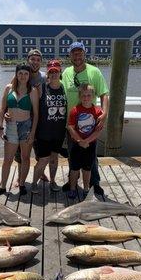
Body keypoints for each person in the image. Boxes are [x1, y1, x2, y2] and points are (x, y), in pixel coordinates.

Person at [62, 41, 109, 196]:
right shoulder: (67, 72)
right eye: (74, 53)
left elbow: (104, 94)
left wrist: (104, 113)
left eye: (79, 52)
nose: (77, 56)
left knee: (91, 156)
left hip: (90, 122)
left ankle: (94, 183)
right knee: (72, 154)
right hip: (72, 124)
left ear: (84, 54)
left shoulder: (94, 71)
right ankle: (72, 182)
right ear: (70, 55)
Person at [0, 63, 39, 196]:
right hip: (11, 127)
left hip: (26, 127)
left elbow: (36, 114)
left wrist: (32, 133)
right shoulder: (8, 88)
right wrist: (0, 127)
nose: (23, 76)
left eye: (26, 73)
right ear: (16, 74)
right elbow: (2, 109)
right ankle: (3, 186)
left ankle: (21, 184)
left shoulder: (32, 91)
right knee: (7, 160)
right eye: (20, 73)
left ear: (29, 75)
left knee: (25, 158)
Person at [13, 49, 49, 184]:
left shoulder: (45, 77)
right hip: (22, 120)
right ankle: (19, 176)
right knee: (20, 152)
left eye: (38, 60)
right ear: (28, 60)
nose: (35, 62)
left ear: (41, 62)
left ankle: (41, 173)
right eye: (32, 59)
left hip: (39, 120)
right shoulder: (22, 74)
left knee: (40, 150)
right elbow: (11, 93)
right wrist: (6, 112)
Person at [31, 59, 67, 193]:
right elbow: (33, 108)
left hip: (58, 132)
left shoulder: (64, 88)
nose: (54, 74)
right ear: (47, 73)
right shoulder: (41, 88)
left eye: (56, 71)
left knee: (54, 159)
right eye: (51, 72)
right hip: (44, 132)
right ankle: (34, 183)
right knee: (43, 159)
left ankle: (52, 181)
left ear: (60, 72)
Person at [67, 84, 103, 199]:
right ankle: (72, 188)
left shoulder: (98, 111)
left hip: (90, 144)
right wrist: (79, 140)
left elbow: (98, 131)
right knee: (74, 168)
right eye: (83, 95)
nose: (86, 97)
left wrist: (86, 141)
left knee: (87, 169)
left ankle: (86, 189)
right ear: (79, 96)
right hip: (76, 144)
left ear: (93, 96)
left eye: (88, 95)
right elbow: (70, 127)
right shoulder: (75, 110)